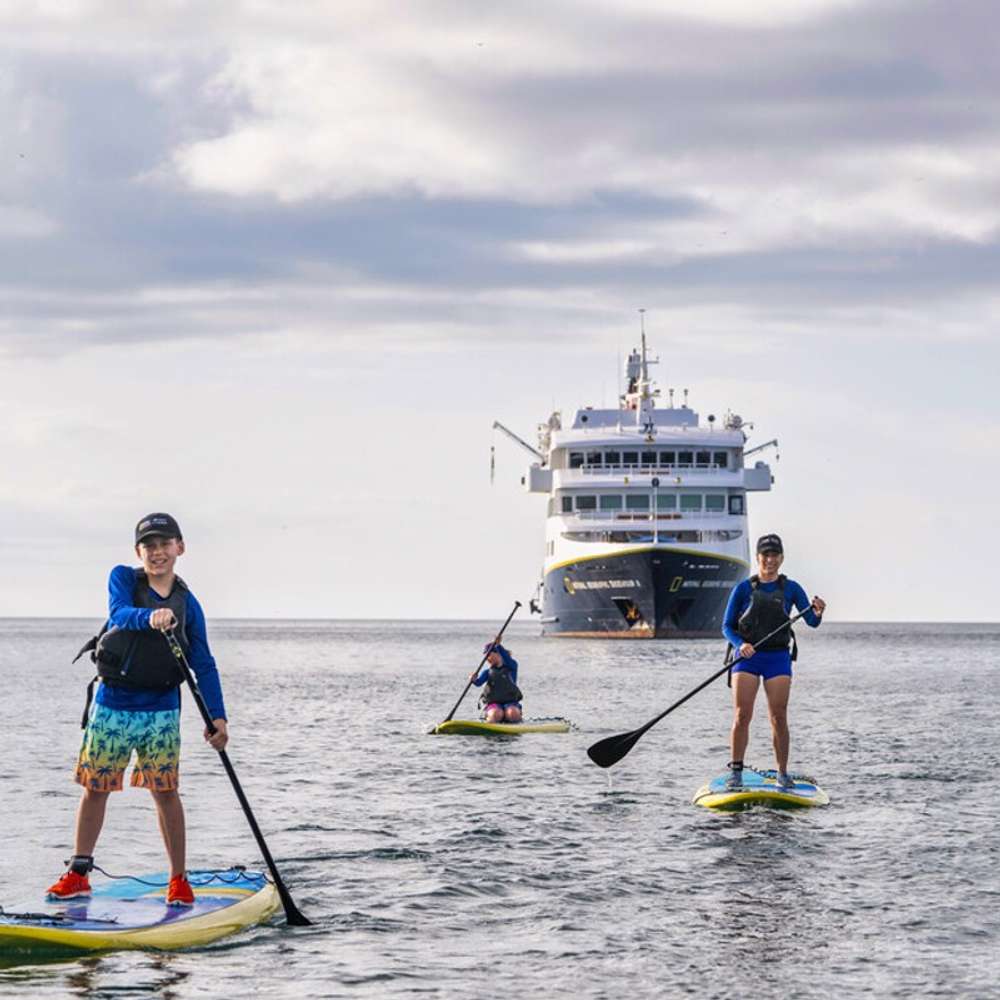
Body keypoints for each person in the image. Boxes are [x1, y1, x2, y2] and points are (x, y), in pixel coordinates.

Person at [46, 513, 228, 906]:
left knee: (166, 792)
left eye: (165, 544)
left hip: (161, 708)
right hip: (114, 702)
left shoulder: (188, 604)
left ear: (180, 548)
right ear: (138, 552)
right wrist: (151, 616)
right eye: (149, 545)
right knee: (96, 788)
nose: (157, 552)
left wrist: (218, 717)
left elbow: (205, 663)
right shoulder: (125, 579)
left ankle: (178, 880)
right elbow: (119, 614)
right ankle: (79, 873)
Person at [721, 534, 826, 790]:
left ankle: (782, 773)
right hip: (748, 658)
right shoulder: (744, 588)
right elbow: (726, 626)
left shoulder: (791, 588)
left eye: (774, 555)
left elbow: (811, 622)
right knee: (741, 715)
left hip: (777, 658)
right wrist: (740, 645)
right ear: (758, 558)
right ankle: (736, 771)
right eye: (765, 555)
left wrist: (818, 611)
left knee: (778, 716)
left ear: (781, 558)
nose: (770, 560)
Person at [470, 640, 523, 724]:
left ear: (498, 654)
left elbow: (506, 658)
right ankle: (492, 718)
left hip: (511, 703)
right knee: (496, 714)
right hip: (494, 704)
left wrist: (498, 645)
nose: (487, 659)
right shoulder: (487, 672)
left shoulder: (512, 667)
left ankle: (514, 720)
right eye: (485, 657)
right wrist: (473, 679)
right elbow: (478, 683)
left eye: (489, 655)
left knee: (512, 713)